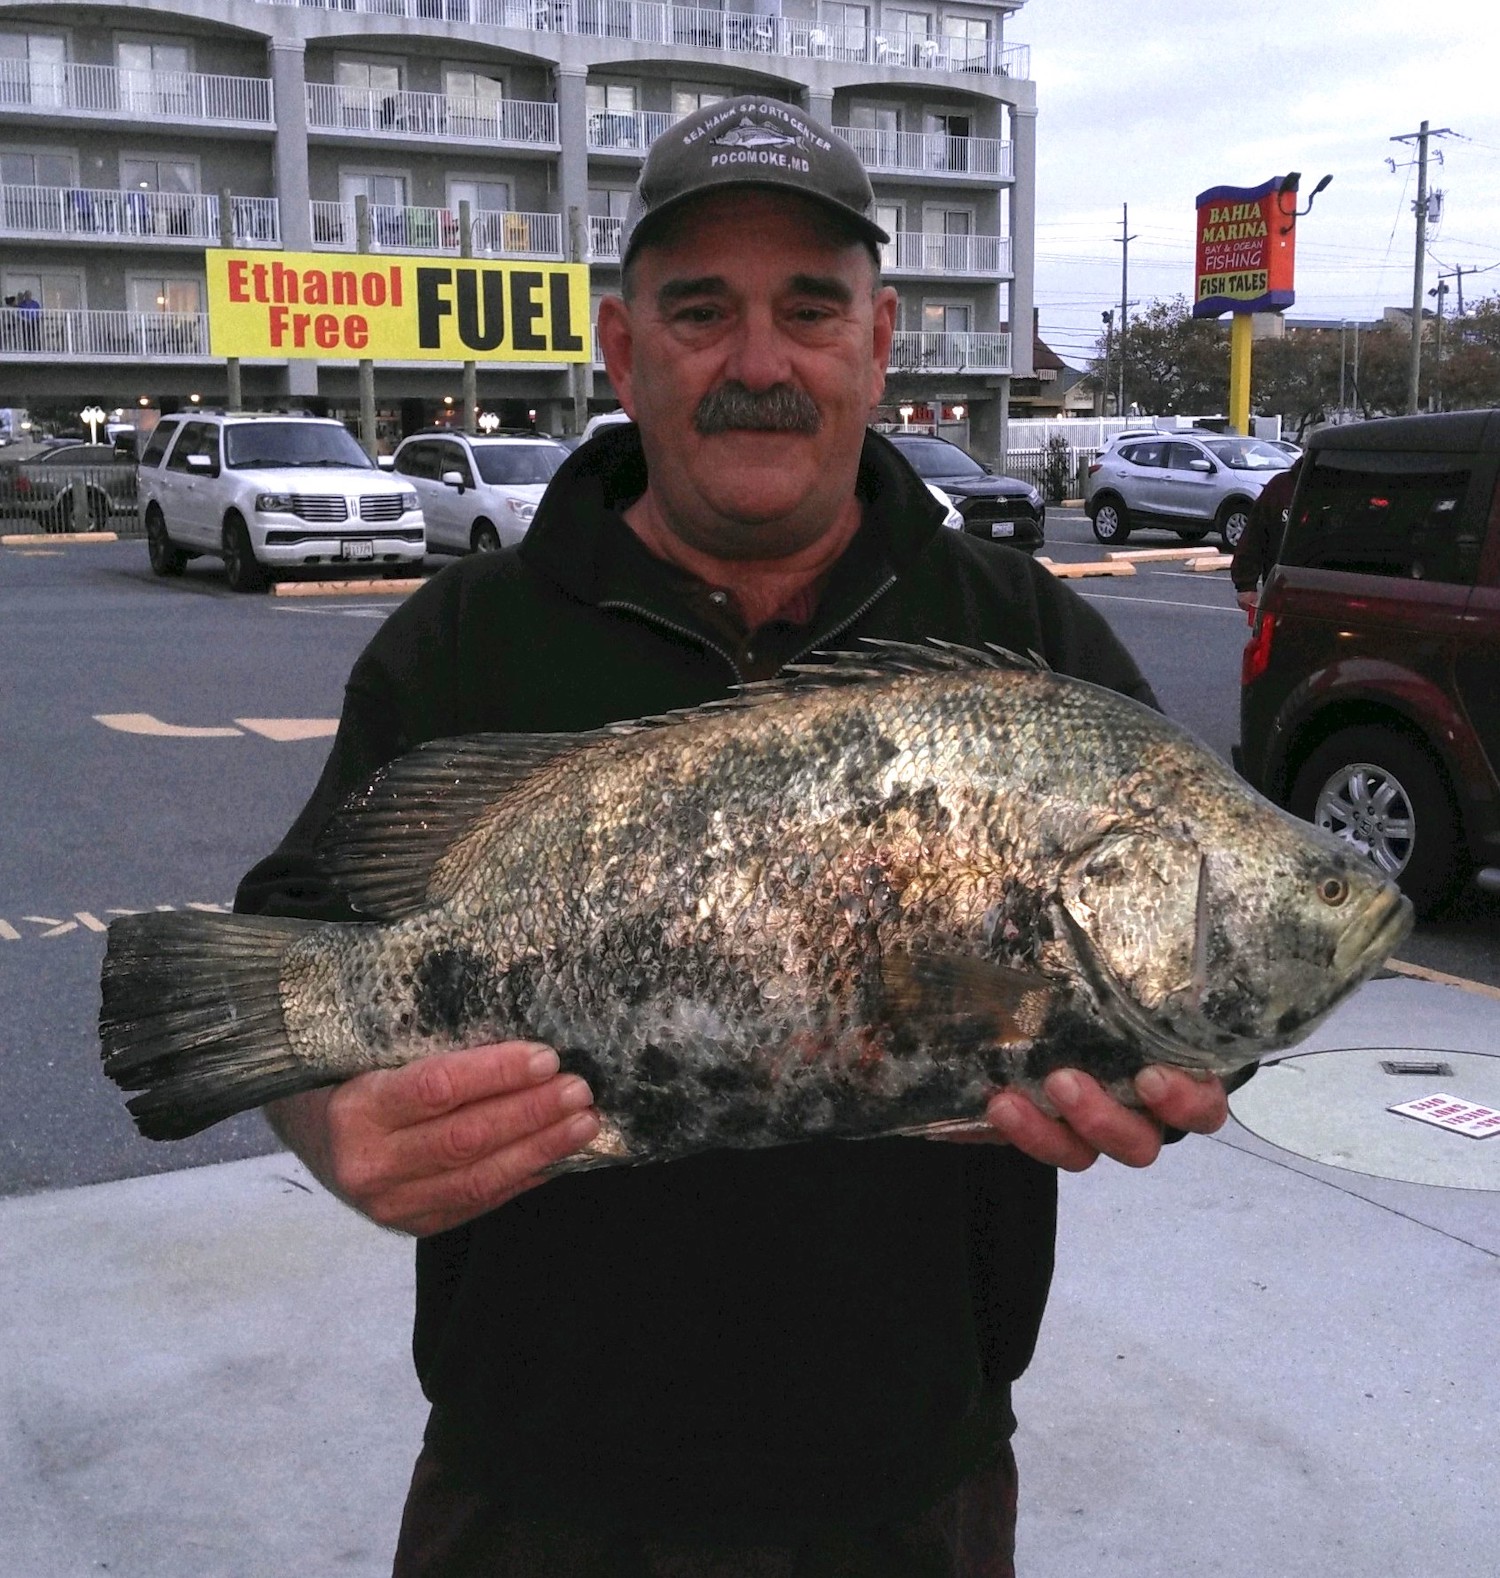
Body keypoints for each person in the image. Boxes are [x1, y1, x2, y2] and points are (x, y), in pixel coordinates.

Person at [236, 95, 1228, 1577]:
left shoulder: (1029, 640)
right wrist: (337, 1131)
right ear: (625, 349)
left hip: (910, 1490)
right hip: (532, 1489)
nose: (759, 363)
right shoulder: (462, 647)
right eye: (702, 311)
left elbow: (1196, 934)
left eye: (808, 309)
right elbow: (283, 965)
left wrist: (1176, 1060)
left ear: (878, 340)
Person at [1232, 455, 1303, 613]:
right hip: (1283, 592)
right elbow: (1254, 536)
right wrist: (1246, 585)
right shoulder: (1282, 487)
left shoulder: (1351, 487)